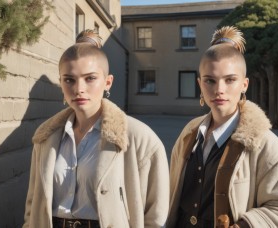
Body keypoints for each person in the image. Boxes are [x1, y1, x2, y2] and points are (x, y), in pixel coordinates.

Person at [23, 29, 169, 228]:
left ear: (107, 82)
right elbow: (33, 203)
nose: (78, 89)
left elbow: (156, 215)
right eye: (69, 79)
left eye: (90, 78)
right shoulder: (45, 137)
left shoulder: (140, 138)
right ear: (61, 83)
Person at [167, 26, 278, 228]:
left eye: (230, 80)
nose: (219, 90)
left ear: (244, 84)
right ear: (200, 84)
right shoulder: (189, 134)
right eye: (210, 80)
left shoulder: (265, 144)